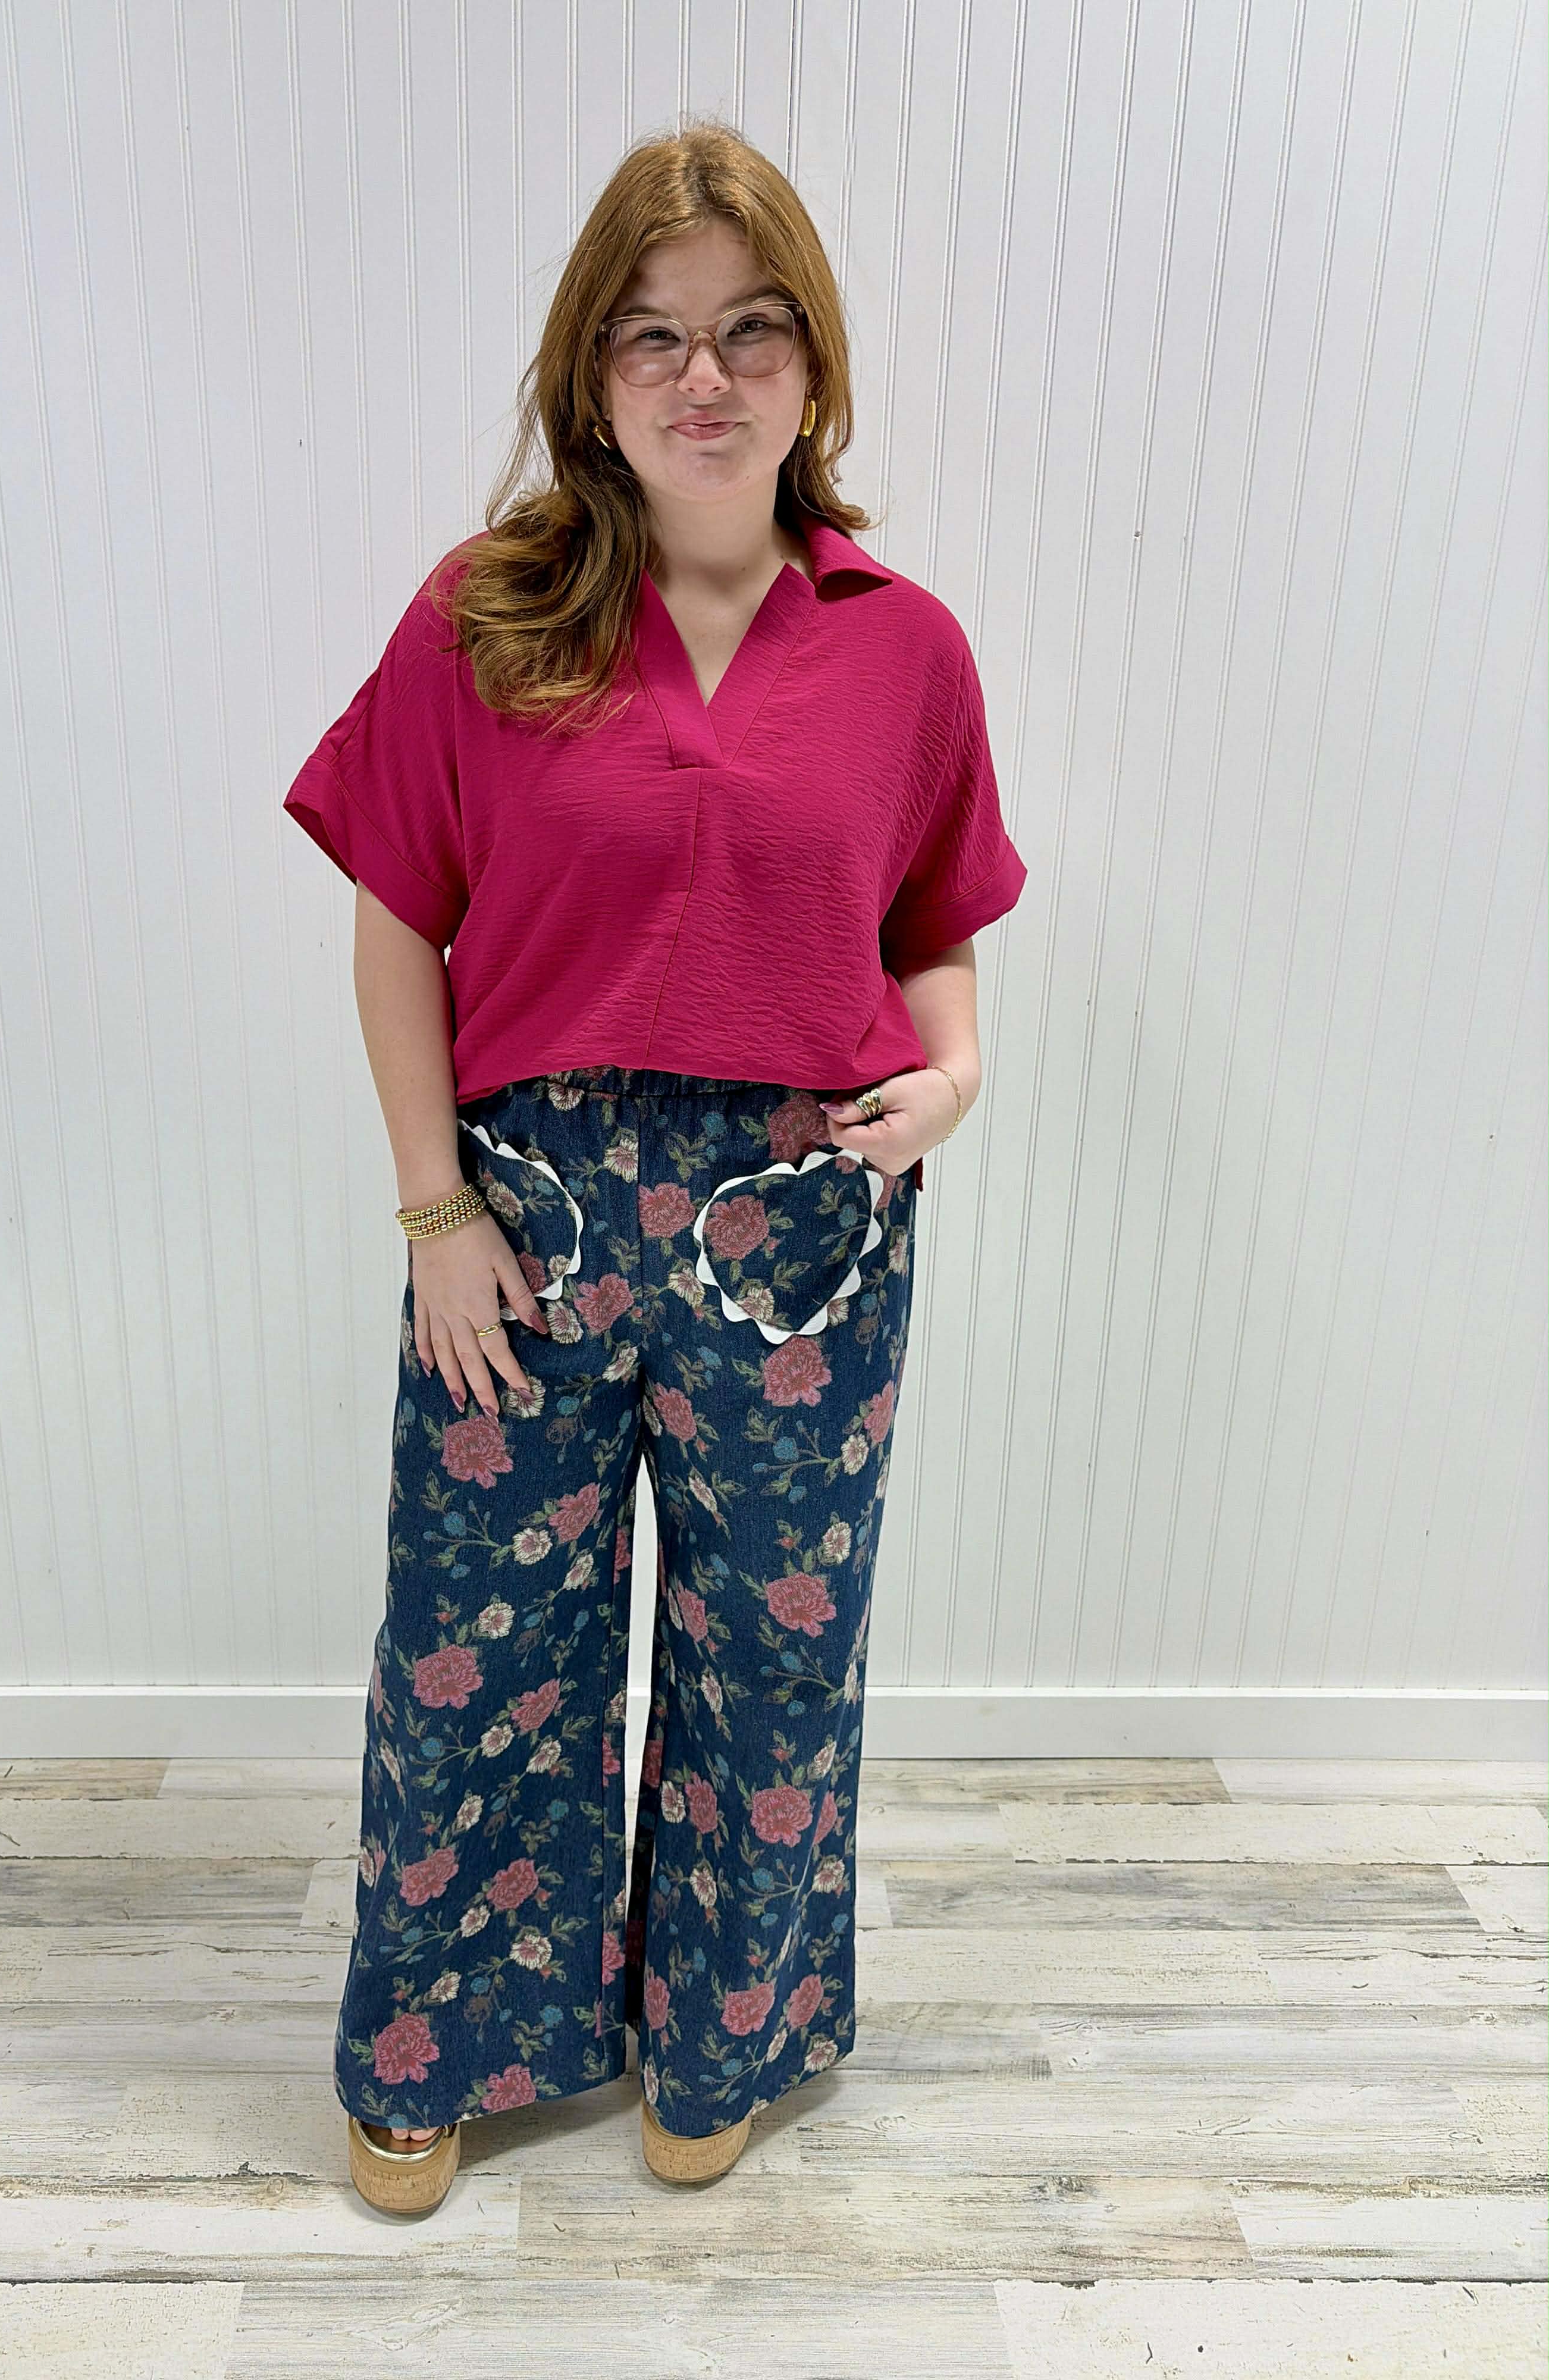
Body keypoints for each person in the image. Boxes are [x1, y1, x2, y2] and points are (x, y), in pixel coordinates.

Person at [282, 121, 1027, 2218]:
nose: (706, 378)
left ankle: (731, 2038)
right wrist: (435, 1209)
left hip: (803, 1222)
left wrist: (958, 1077)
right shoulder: (486, 617)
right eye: (654, 337)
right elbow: (397, 924)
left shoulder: (905, 647)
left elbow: (936, 927)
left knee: (773, 1651)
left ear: (814, 365)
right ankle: (439, 2046)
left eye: (750, 332)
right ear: (591, 376)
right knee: (479, 1642)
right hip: (524, 1212)